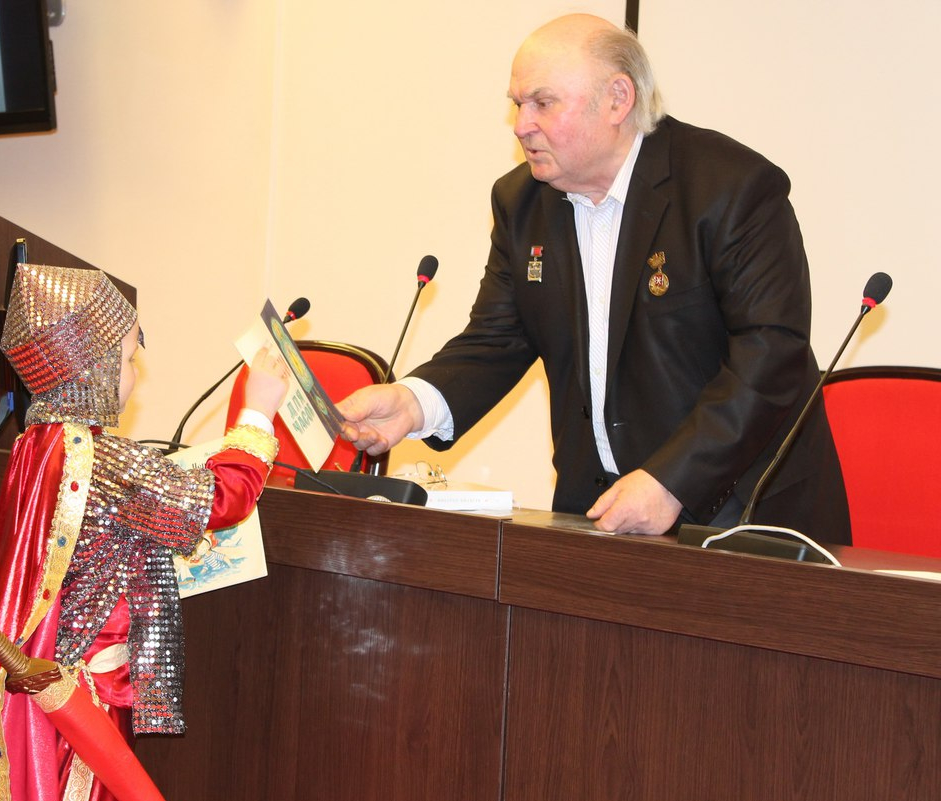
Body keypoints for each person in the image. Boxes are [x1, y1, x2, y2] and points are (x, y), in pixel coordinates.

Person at [339, 13, 850, 541]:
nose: (520, 125)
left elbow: (770, 356)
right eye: (517, 104)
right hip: (599, 512)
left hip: (745, 515)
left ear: (618, 100)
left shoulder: (730, 189)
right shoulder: (522, 201)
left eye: (543, 103)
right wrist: (413, 403)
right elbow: (497, 338)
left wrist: (671, 482)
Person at [0, 263, 289, 801]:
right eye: (129, 358)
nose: (136, 374)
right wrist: (257, 412)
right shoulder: (103, 460)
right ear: (92, 367)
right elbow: (224, 498)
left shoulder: (36, 444)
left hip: (53, 688)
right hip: (79, 701)